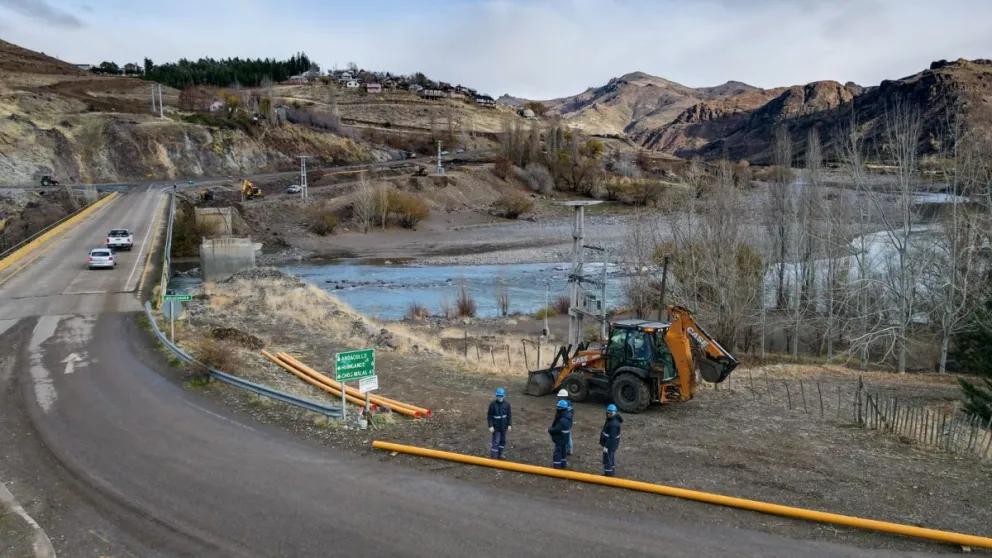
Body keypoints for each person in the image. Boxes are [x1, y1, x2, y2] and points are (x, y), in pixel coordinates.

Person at [487, 388, 511, 459]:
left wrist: (509, 424)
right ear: (496, 396)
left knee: (502, 441)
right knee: (496, 441)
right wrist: (490, 426)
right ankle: (494, 457)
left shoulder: (507, 404)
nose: (500, 397)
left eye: (501, 396)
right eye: (498, 396)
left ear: (504, 396)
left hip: (503, 427)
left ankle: (499, 454)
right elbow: (489, 416)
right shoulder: (492, 404)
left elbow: (509, 415)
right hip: (496, 427)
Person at [599, 404, 623, 477]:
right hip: (611, 445)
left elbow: (612, 437)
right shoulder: (612, 419)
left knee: (607, 459)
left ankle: (608, 475)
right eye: (607, 412)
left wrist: (606, 446)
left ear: (614, 412)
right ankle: (611, 472)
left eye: (610, 413)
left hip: (609, 445)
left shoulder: (613, 424)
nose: (608, 414)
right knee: (611, 458)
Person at [548, 399, 572, 469]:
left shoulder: (562, 420)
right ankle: (563, 464)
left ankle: (557, 466)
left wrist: (550, 430)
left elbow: (557, 429)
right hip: (565, 438)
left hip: (560, 438)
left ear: (560, 409)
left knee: (558, 452)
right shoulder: (568, 416)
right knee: (563, 451)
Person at [556, 388, 574, 455]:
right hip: (569, 422)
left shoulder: (562, 404)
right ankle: (570, 449)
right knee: (568, 435)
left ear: (562, 397)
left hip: (563, 423)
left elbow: (558, 415)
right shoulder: (570, 404)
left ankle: (567, 449)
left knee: (565, 436)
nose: (558, 398)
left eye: (559, 397)